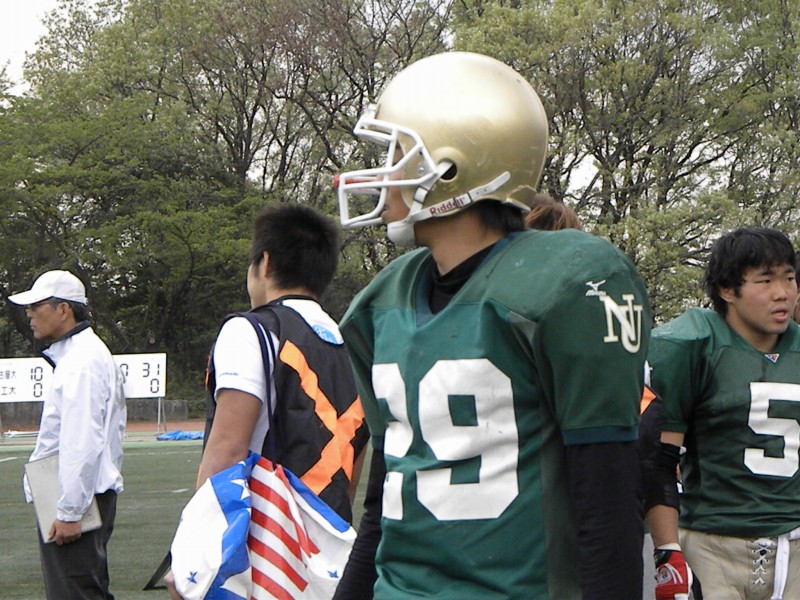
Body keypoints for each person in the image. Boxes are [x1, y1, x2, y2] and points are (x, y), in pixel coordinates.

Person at [334, 51, 651, 599]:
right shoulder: (382, 302)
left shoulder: (566, 284)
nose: (382, 172)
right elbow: (383, 503)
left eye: (397, 153)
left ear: (450, 168)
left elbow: (607, 502)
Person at [167, 204, 369, 598]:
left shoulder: (249, 330)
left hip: (261, 552)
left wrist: (196, 555)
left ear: (265, 262)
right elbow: (352, 470)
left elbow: (227, 449)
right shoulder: (354, 345)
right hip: (329, 552)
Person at [646, 227, 800, 600]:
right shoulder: (691, 346)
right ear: (727, 290)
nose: (782, 292)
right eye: (765, 280)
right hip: (713, 546)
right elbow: (659, 462)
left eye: (789, 278)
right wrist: (668, 552)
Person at [8, 270, 126, 600]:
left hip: (75, 497)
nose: (29, 314)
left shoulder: (81, 362)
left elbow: (81, 440)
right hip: (76, 493)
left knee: (75, 592)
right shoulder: (84, 355)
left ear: (63, 310)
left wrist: (70, 512)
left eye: (36, 306)